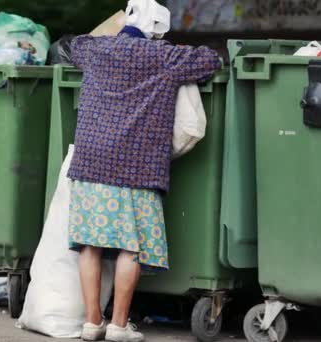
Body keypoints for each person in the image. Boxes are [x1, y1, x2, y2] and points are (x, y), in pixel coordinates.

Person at [67, 0, 222, 341]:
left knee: (88, 245)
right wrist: (176, 48)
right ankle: (119, 326)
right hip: (135, 168)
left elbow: (73, 44)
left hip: (90, 162)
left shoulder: (94, 51)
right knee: (131, 247)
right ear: (158, 31)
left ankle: (92, 322)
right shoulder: (164, 58)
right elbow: (212, 60)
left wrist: (113, 29)